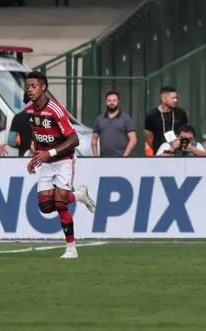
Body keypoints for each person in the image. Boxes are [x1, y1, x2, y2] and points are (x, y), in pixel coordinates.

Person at [24, 71, 96, 259]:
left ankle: (71, 249)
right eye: (28, 86)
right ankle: (79, 195)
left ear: (43, 87)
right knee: (46, 207)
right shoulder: (29, 110)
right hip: (47, 162)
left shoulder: (56, 110)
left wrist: (51, 153)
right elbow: (38, 134)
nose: (30, 89)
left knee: (60, 202)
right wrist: (36, 155)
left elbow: (74, 140)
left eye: (34, 86)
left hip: (63, 160)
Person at [144, 87, 188, 155]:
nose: (175, 100)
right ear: (163, 99)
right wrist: (159, 148)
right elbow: (148, 136)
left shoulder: (181, 113)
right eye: (173, 98)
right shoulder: (152, 115)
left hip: (179, 153)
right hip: (160, 153)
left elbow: (186, 133)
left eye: (176, 98)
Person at [92, 91, 137, 157]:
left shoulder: (126, 119)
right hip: (103, 160)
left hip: (122, 160)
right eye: (109, 101)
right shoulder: (99, 119)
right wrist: (95, 156)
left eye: (114, 100)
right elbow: (94, 138)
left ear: (118, 102)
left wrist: (125, 155)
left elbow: (133, 139)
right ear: (105, 102)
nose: (111, 103)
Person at [7, 92, 32, 157]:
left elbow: (11, 141)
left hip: (23, 155)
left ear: (24, 101)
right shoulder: (45, 116)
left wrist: (21, 147)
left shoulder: (18, 117)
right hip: (42, 156)